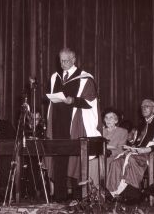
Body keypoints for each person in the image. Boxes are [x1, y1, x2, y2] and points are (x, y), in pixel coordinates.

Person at [46, 48, 101, 202]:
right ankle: (59, 197)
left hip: (75, 124)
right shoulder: (54, 77)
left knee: (77, 159)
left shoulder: (85, 78)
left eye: (66, 60)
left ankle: (79, 197)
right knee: (59, 159)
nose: (63, 64)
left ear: (74, 59)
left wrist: (73, 101)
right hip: (57, 124)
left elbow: (91, 102)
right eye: (61, 61)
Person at [107, 94, 154, 203]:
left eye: (147, 106)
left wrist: (145, 149)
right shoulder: (146, 123)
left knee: (131, 160)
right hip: (143, 152)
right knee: (116, 161)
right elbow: (140, 141)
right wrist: (132, 145)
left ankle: (133, 194)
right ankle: (115, 193)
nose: (143, 108)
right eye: (142, 107)